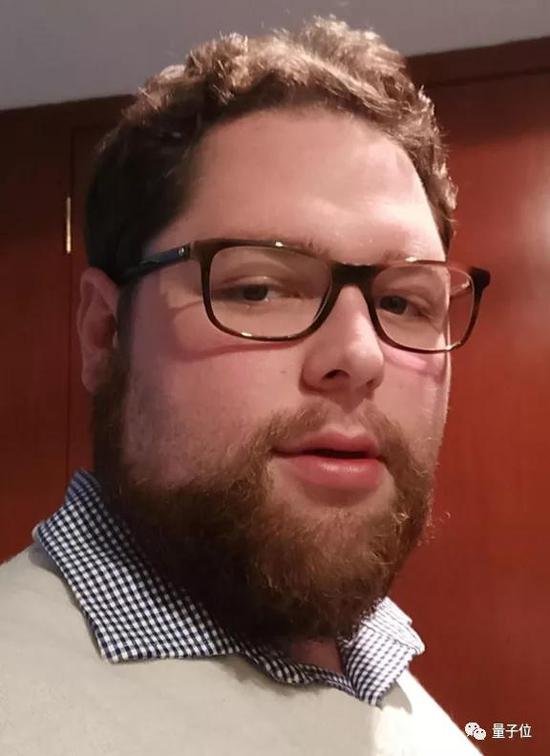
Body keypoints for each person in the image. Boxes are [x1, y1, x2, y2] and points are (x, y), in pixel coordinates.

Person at [0, 16, 490, 755]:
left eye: (402, 302)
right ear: (103, 332)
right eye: (258, 289)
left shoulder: (422, 718)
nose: (361, 356)